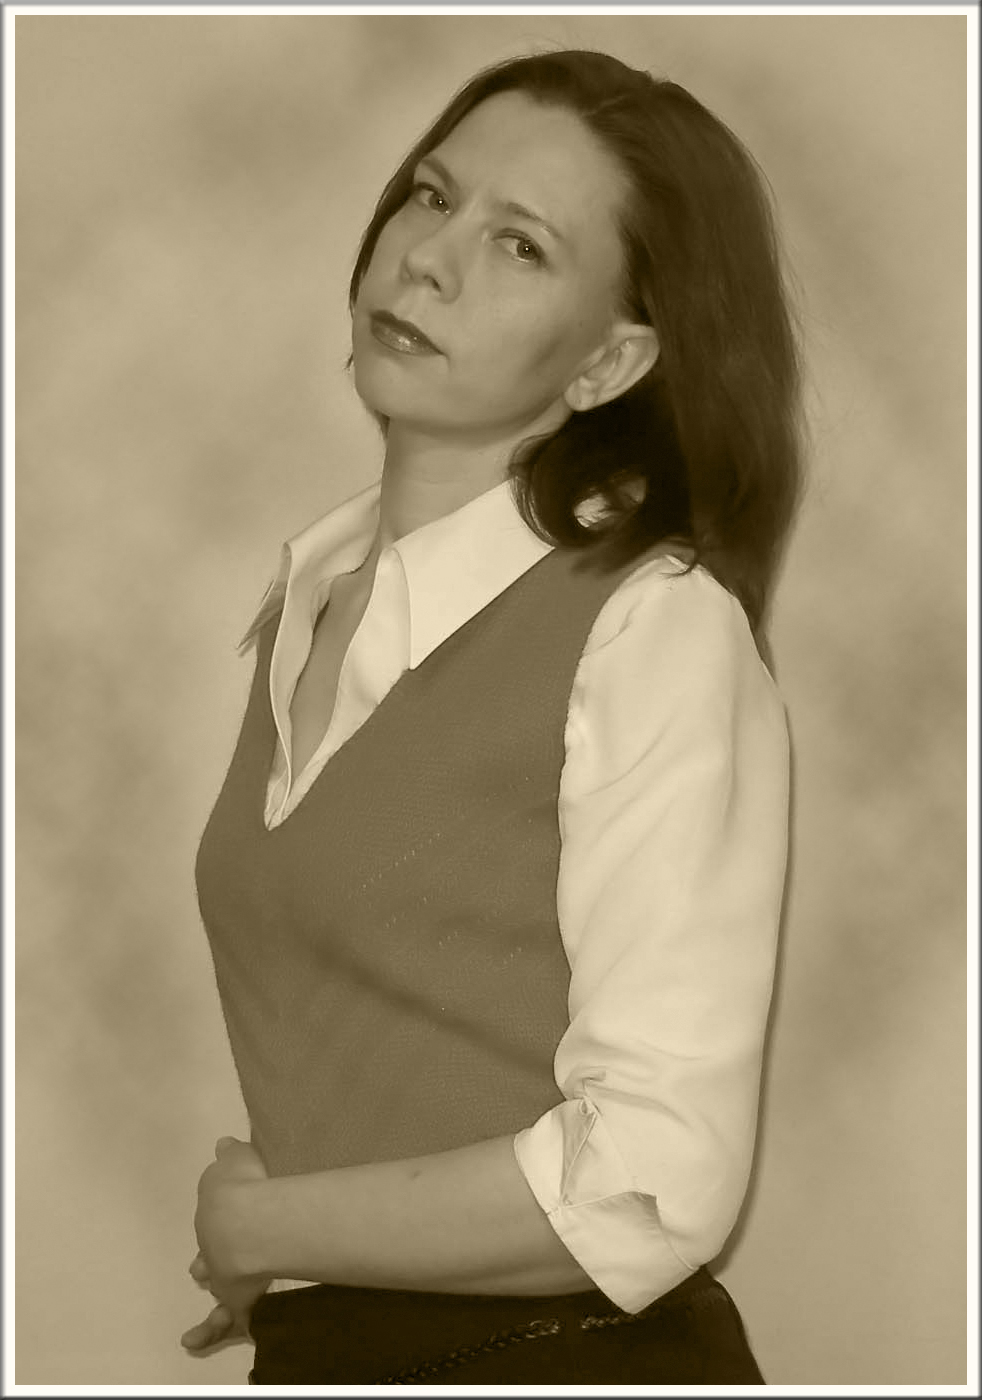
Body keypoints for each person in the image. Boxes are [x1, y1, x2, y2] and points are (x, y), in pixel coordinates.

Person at [182, 47, 802, 1384]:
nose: (428, 260)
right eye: (431, 195)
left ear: (610, 360)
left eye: (520, 245)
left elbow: (651, 1179)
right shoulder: (308, 600)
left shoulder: (648, 631)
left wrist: (265, 1226)